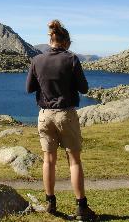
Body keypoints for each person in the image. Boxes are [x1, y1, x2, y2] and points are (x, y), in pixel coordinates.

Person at [26, 20, 97, 221]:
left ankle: (50, 202)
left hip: (45, 115)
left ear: (51, 40)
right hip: (66, 114)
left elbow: (29, 88)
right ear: (66, 42)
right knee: (74, 161)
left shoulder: (37, 60)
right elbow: (84, 88)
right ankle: (81, 207)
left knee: (48, 160)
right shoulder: (72, 59)